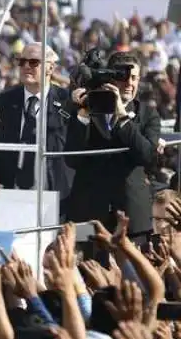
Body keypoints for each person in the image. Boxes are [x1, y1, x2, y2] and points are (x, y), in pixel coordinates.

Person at [64, 51, 161, 239]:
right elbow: (72, 160)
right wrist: (83, 114)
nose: (129, 83)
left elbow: (147, 156)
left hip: (132, 217)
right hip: (88, 213)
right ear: (110, 78)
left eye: (134, 78)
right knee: (89, 268)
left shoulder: (148, 114)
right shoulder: (87, 108)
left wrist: (122, 116)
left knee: (132, 269)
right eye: (123, 77)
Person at [0, 43, 74, 215]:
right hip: (10, 194)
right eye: (22, 62)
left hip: (56, 198)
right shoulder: (3, 102)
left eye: (33, 62)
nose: (26, 67)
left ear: (50, 68)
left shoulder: (68, 102)